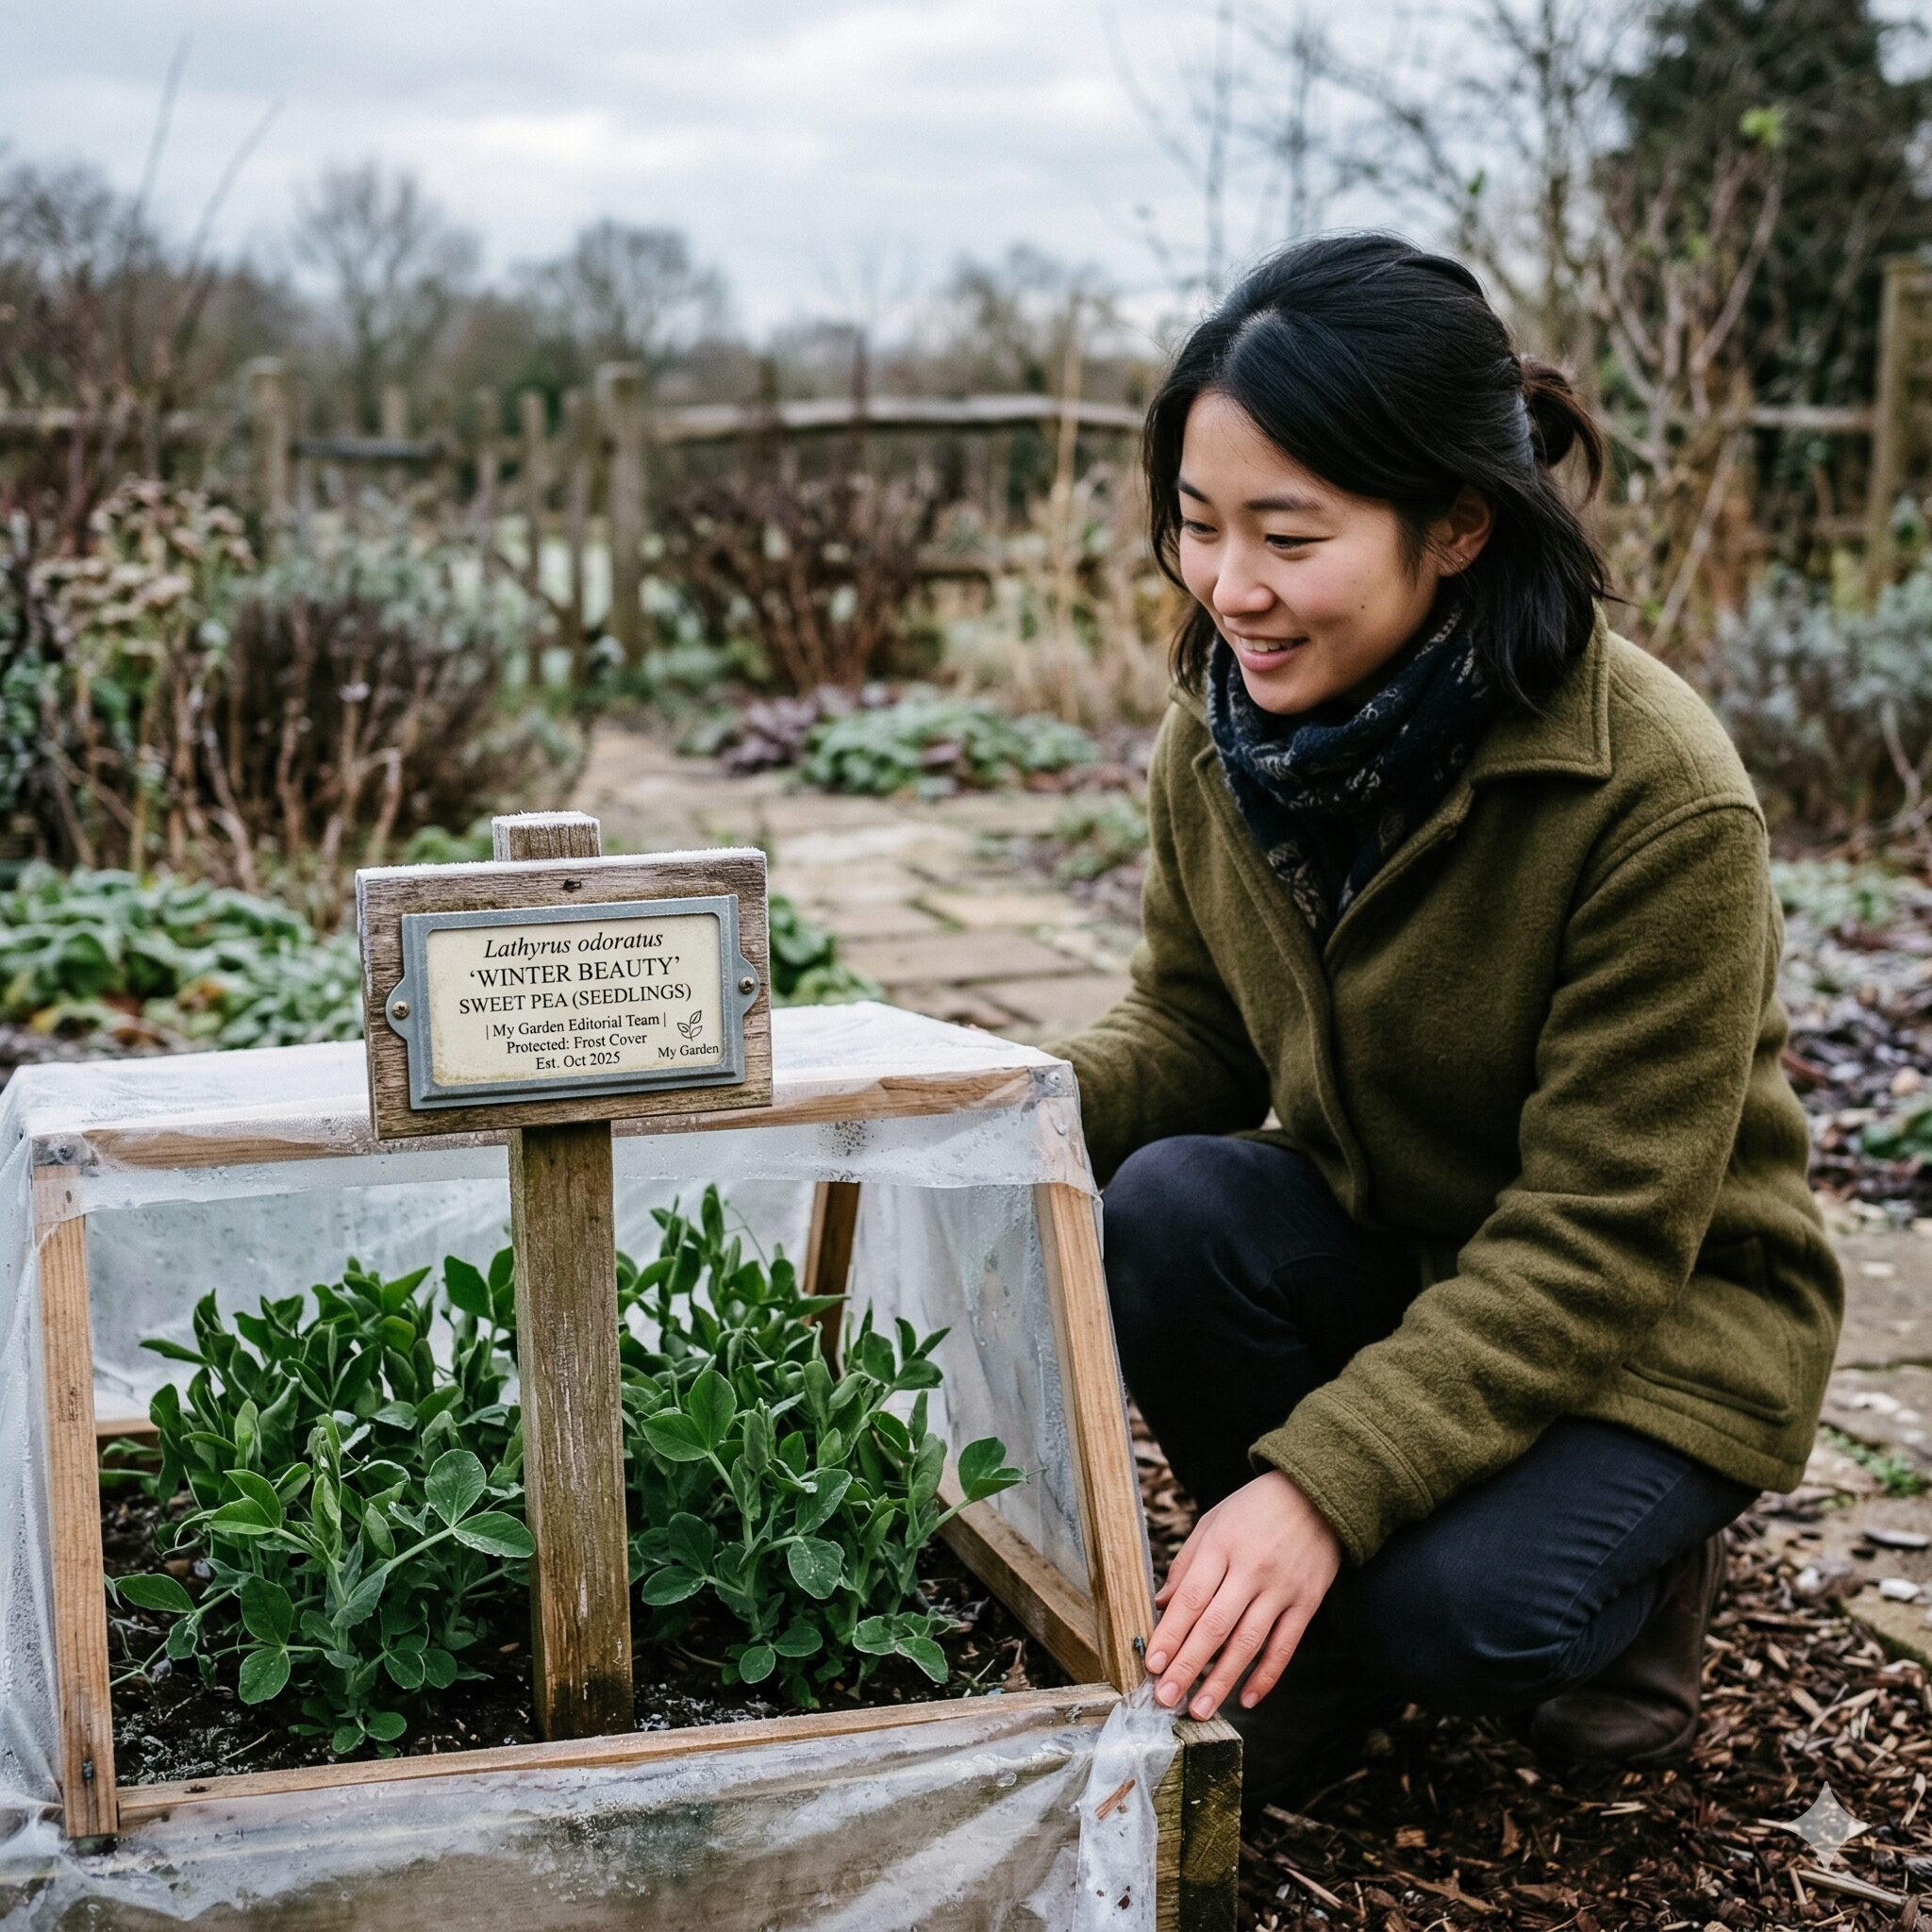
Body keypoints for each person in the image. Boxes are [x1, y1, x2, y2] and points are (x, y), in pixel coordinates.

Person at [1041, 232, 1842, 1806]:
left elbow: (1601, 1237)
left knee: (1459, 1613)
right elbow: (1191, 1040)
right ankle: (1307, 1668)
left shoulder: (1652, 795)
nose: (1230, 588)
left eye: (1290, 534)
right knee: (1173, 1208)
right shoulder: (1222, 741)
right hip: (1413, 1248)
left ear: (1458, 526)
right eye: (1198, 527)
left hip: (1659, 1313)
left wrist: (1319, 1485)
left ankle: (1628, 1606)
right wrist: (972, 1108)